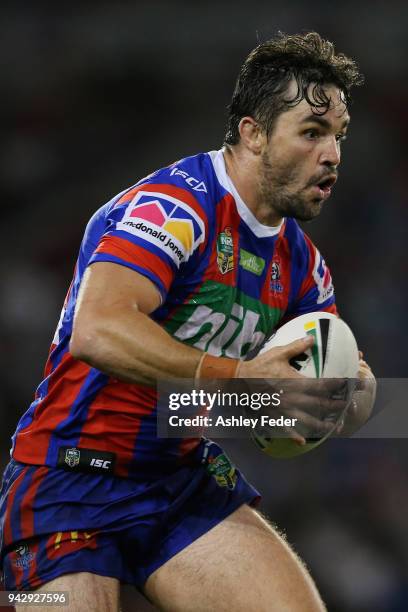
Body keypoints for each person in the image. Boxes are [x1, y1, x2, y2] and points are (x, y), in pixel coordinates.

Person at [0, 31, 374, 611]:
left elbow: (319, 374)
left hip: (177, 479)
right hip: (69, 478)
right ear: (253, 133)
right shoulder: (174, 207)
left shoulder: (303, 266)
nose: (332, 155)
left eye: (338, 137)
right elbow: (97, 329)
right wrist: (239, 380)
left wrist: (345, 396)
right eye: (311, 133)